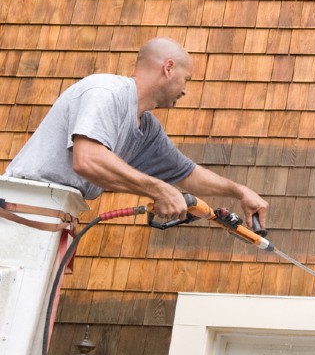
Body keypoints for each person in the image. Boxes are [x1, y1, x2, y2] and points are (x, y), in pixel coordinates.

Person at [3, 37, 268, 227]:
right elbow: (87, 160)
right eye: (186, 80)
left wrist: (240, 191)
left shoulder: (147, 128)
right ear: (168, 68)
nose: (185, 91)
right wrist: (159, 190)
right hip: (22, 205)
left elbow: (188, 175)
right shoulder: (105, 91)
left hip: (57, 212)